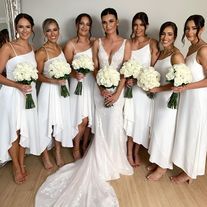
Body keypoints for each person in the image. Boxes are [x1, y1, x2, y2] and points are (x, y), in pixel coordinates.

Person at [35, 8, 133, 206]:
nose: (106, 25)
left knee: (111, 124)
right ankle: (82, 150)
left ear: (116, 23)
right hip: (93, 88)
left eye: (110, 21)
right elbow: (89, 67)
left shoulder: (118, 43)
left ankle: (113, 158)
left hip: (114, 92)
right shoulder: (94, 42)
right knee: (87, 119)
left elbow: (125, 70)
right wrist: (100, 86)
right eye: (104, 22)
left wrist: (116, 93)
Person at [0, 13, 41, 184]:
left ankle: (22, 163)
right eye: (21, 26)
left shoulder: (32, 48)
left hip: (28, 95)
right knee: (14, 131)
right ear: (16, 29)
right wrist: (17, 85)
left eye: (27, 27)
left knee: (25, 129)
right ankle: (16, 167)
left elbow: (35, 74)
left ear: (32, 29)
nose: (24, 30)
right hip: (12, 95)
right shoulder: (7, 47)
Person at [171, 15, 207, 184]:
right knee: (187, 132)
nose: (189, 32)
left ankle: (190, 172)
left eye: (194, 28)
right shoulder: (191, 49)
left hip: (197, 99)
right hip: (187, 97)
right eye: (187, 28)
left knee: (194, 133)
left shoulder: (203, 49)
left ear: (202, 29)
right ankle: (187, 168)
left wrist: (186, 87)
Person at [146, 22, 185, 181]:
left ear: (175, 36)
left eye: (169, 34)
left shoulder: (176, 55)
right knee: (157, 131)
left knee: (165, 132)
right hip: (158, 99)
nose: (165, 37)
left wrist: (158, 89)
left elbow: (180, 83)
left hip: (169, 100)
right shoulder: (162, 54)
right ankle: (158, 161)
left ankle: (163, 167)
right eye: (163, 33)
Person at [35, 18, 73, 170]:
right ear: (44, 33)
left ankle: (58, 153)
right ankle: (44, 156)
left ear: (58, 31)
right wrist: (53, 82)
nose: (52, 33)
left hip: (61, 91)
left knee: (60, 121)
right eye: (49, 30)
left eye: (55, 30)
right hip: (48, 91)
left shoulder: (60, 48)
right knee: (44, 122)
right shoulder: (41, 52)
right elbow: (37, 75)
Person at [124, 12, 159, 167]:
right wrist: (127, 80)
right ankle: (128, 151)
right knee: (130, 120)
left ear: (146, 26)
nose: (138, 28)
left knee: (142, 123)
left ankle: (136, 151)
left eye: (141, 25)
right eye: (135, 25)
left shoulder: (152, 43)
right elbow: (123, 66)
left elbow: (154, 69)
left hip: (143, 91)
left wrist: (143, 81)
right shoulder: (127, 43)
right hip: (130, 91)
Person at [64, 13, 95, 160]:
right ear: (76, 25)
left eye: (87, 24)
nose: (84, 27)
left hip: (91, 84)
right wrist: (74, 74)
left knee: (89, 119)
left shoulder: (94, 43)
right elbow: (66, 68)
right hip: (78, 84)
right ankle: (76, 147)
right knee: (81, 118)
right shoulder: (70, 44)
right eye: (81, 23)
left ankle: (84, 146)